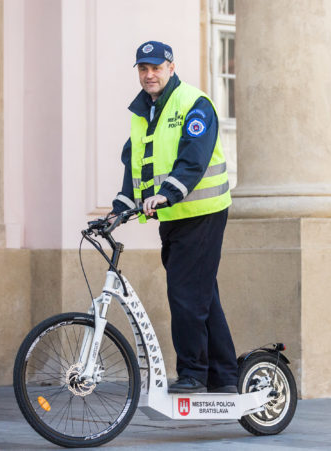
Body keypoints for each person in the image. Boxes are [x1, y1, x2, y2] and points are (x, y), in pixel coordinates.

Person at [111, 41, 238, 394]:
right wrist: (118, 209)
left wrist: (166, 193)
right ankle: (226, 375)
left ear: (171, 67)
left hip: (202, 212)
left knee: (185, 295)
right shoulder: (142, 114)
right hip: (175, 215)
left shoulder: (193, 104)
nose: (149, 75)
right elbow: (134, 166)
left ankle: (194, 374)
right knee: (201, 295)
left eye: (155, 67)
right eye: (143, 69)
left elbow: (193, 159)